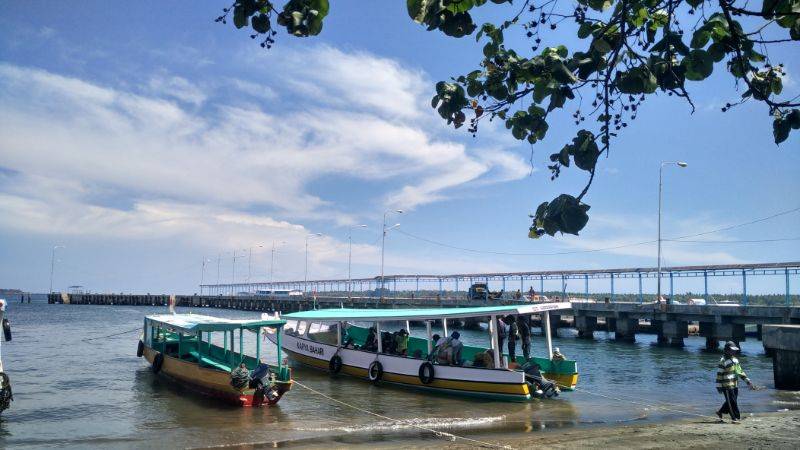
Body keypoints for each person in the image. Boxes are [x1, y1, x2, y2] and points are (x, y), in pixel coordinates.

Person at [716, 341, 754, 423]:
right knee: (732, 402)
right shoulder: (723, 361)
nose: (734, 351)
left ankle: (720, 411)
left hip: (735, 384)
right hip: (726, 385)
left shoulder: (735, 360)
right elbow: (719, 374)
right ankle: (735, 418)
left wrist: (748, 381)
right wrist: (718, 386)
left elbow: (740, 372)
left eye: (734, 350)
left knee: (732, 400)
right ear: (726, 350)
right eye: (731, 350)